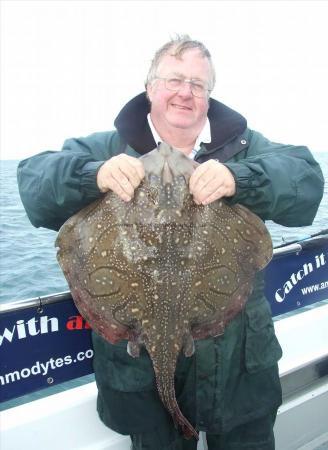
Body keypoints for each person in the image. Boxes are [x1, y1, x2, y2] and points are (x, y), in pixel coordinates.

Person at [17, 35, 324, 450]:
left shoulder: (244, 148)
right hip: (139, 369)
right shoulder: (105, 148)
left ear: (209, 97)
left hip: (236, 371)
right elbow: (35, 181)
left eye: (198, 84)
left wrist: (240, 179)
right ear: (150, 88)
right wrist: (94, 175)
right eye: (174, 79)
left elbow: (306, 179)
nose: (185, 92)